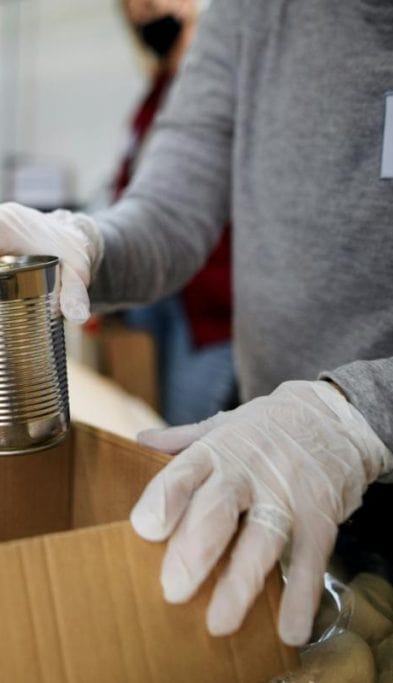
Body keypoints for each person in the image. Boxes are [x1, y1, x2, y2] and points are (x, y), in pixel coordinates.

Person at [0, 0, 393, 648]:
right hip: (263, 447)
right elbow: (171, 210)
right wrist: (82, 240)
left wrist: (364, 416)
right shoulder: (249, 15)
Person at [113, 0, 236, 425]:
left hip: (216, 304)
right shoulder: (159, 89)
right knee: (151, 417)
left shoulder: (221, 81)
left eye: (151, 3)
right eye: (132, 8)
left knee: (189, 424)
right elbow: (138, 188)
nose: (144, 15)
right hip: (167, 293)